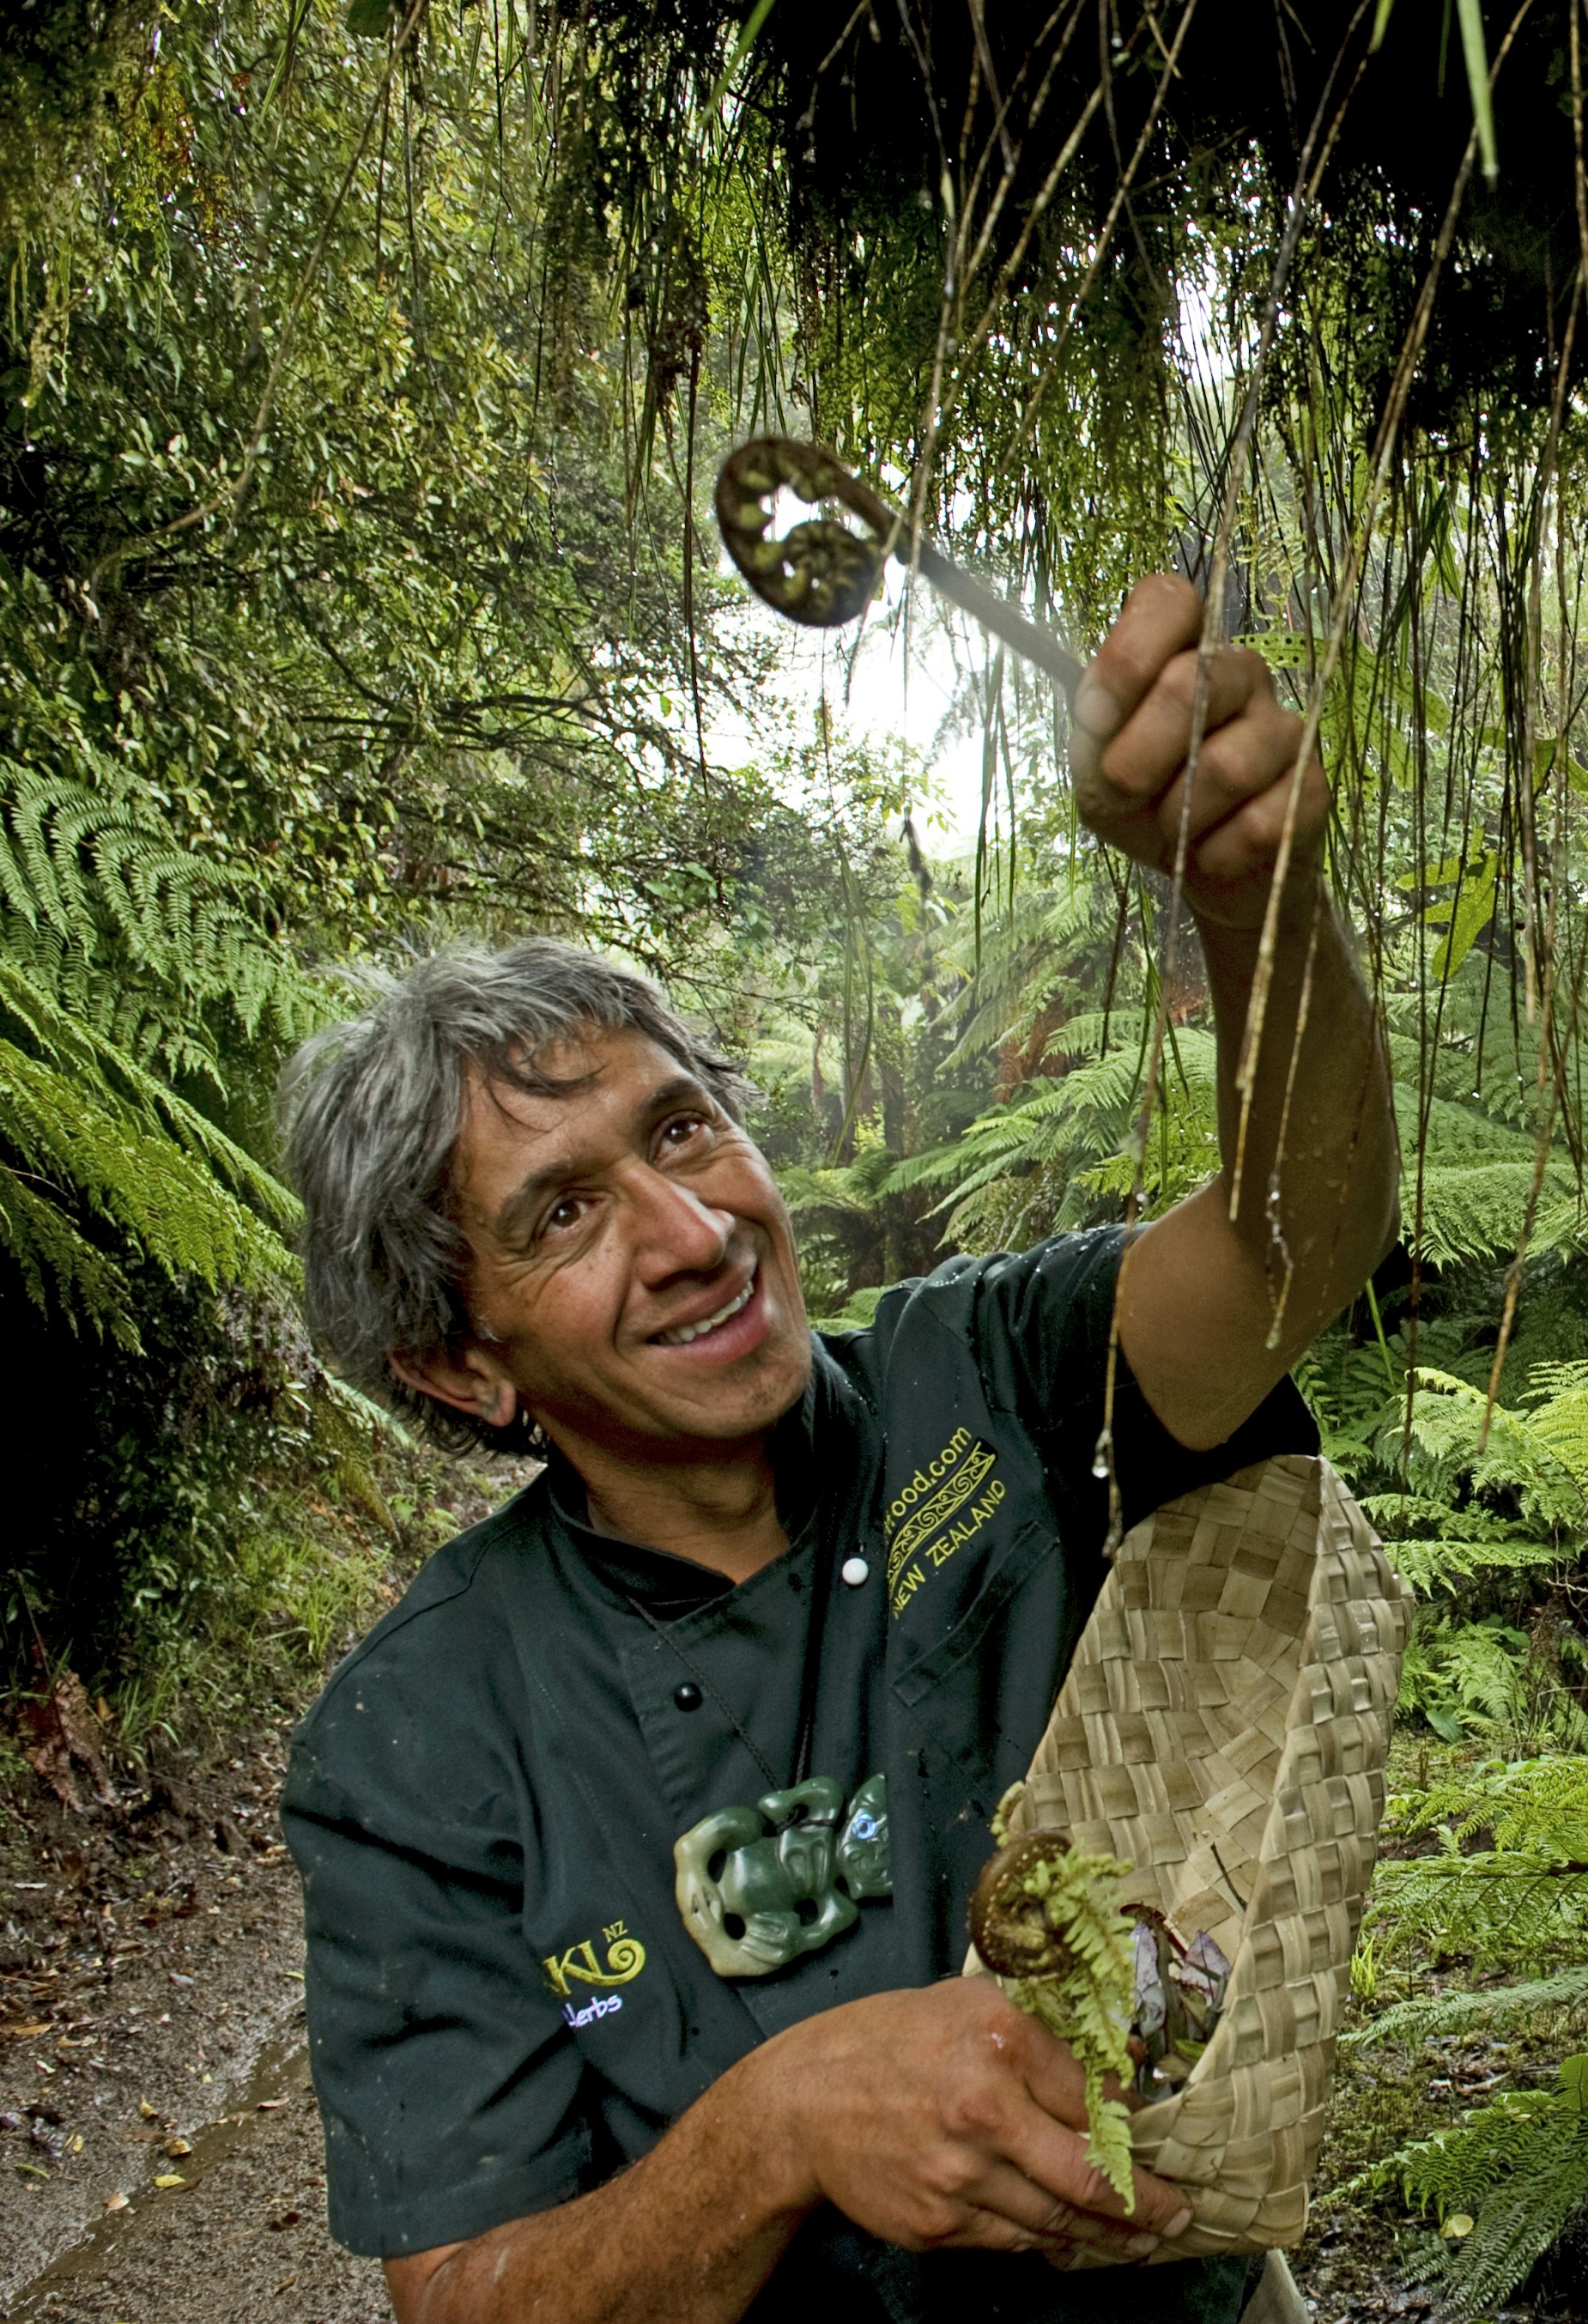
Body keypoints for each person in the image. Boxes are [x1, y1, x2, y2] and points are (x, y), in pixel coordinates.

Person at [274, 574, 1398, 2324]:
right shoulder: (418, 1741)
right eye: (565, 1213)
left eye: (686, 1128)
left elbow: (1291, 1244)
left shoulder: (993, 1374)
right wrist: (778, 2127)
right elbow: (470, 2294)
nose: (691, 1229)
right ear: (458, 1361)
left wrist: (1254, 906)